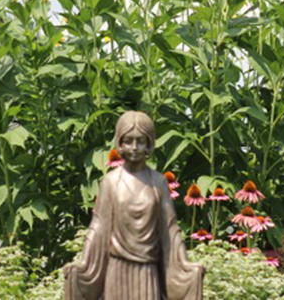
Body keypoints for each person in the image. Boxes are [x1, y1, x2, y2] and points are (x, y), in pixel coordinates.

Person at [63, 111, 203, 300]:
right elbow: (98, 226)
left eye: (140, 141)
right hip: (117, 270)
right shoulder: (111, 182)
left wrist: (185, 265)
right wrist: (84, 264)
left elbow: (170, 230)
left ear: (149, 143)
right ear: (119, 143)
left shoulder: (158, 183)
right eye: (128, 141)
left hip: (147, 271)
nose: (134, 147)